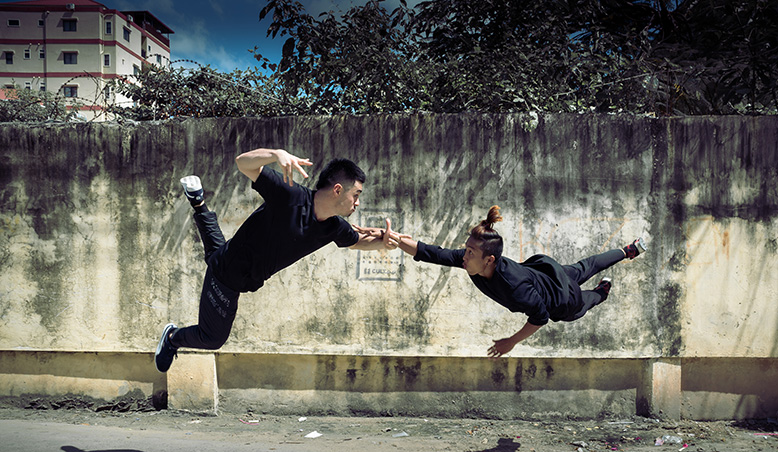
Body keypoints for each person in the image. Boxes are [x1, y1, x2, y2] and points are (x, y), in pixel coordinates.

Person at [154, 148, 399, 372]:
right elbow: (243, 164)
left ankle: (198, 203)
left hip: (237, 263)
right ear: (337, 190)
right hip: (227, 276)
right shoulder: (290, 196)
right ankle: (173, 337)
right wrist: (275, 154)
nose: (357, 203)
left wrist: (383, 243)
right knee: (212, 338)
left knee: (218, 252)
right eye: (356, 195)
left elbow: (356, 240)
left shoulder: (334, 227)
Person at [391, 205, 646, 357]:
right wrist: (392, 238)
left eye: (470, 252)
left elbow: (540, 317)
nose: (464, 256)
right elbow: (434, 253)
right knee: (585, 266)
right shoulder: (474, 261)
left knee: (586, 301)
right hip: (549, 273)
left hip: (563, 299)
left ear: (489, 259)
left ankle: (603, 290)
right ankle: (627, 251)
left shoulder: (515, 288)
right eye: (466, 250)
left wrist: (511, 341)